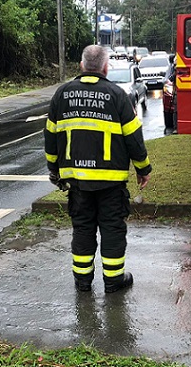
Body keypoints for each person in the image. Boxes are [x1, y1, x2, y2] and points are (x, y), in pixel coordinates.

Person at [44, 45, 152, 294]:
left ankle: (82, 282)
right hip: (111, 183)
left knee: (82, 229)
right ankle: (114, 281)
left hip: (78, 183)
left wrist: (54, 169)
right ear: (105, 67)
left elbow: (51, 137)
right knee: (112, 229)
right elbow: (133, 137)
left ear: (82, 65)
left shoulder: (62, 94)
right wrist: (143, 168)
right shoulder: (116, 95)